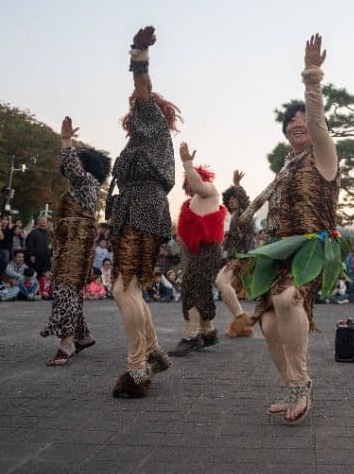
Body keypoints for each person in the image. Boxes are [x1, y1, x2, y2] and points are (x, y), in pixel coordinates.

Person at [229, 34, 340, 423]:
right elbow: (259, 202)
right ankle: (296, 385)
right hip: (275, 249)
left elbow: (315, 119)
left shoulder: (324, 155)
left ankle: (301, 382)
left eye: (302, 120)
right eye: (289, 122)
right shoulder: (287, 166)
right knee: (270, 323)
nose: (297, 124)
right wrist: (239, 223)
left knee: (288, 300)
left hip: (311, 246)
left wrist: (312, 78)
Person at [108, 26, 178, 397]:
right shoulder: (143, 137)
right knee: (129, 288)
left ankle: (138, 368)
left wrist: (139, 53)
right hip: (136, 209)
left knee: (124, 289)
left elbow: (143, 87)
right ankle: (151, 352)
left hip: (142, 209)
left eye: (140, 101)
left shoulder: (151, 124)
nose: (135, 103)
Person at [40, 116, 111, 367]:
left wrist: (66, 139)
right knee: (69, 289)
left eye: (80, 160)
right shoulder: (85, 186)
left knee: (65, 289)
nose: (75, 163)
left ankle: (67, 342)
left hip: (75, 243)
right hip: (71, 242)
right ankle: (81, 336)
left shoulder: (86, 182)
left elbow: (70, 167)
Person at [167, 142, 228, 356]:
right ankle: (208, 334)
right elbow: (185, 236)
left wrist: (187, 163)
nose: (192, 184)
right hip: (194, 253)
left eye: (193, 178)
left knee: (194, 289)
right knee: (196, 290)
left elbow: (199, 185)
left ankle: (191, 336)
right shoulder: (191, 202)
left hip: (208, 250)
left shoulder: (209, 191)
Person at [211, 170, 255, 337]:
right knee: (222, 286)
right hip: (233, 257)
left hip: (242, 256)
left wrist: (237, 186)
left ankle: (241, 318)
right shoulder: (229, 218)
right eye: (229, 198)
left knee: (221, 283)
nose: (231, 200)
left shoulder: (244, 214)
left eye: (234, 198)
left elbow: (247, 204)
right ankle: (243, 326)